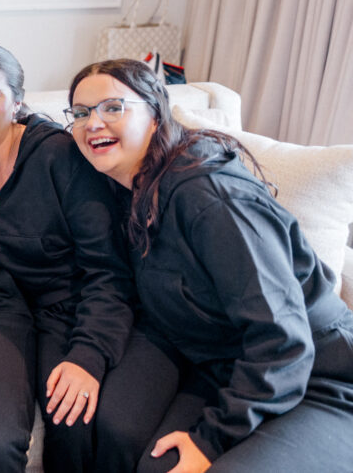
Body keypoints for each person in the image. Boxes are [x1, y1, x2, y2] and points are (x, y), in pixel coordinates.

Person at [66, 58, 353, 473]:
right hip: (229, 365)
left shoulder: (211, 198)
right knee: (153, 462)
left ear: (153, 114)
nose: (93, 123)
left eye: (113, 107)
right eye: (80, 113)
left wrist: (213, 440)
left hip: (318, 376)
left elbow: (283, 338)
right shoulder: (127, 187)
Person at [0, 44, 154, 473]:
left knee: (73, 420)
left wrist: (87, 356)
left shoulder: (60, 155)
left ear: (18, 101)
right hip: (8, 316)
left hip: (78, 309)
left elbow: (108, 270)